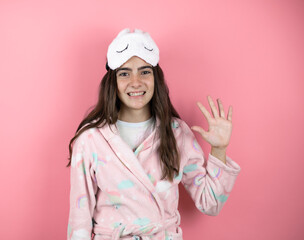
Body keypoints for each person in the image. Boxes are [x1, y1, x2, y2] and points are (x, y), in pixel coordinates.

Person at [67, 28, 241, 240]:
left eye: (144, 71)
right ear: (112, 81)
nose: (136, 81)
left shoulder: (176, 133)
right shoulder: (91, 140)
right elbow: (80, 220)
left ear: (156, 77)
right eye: (124, 73)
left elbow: (210, 203)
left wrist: (219, 149)